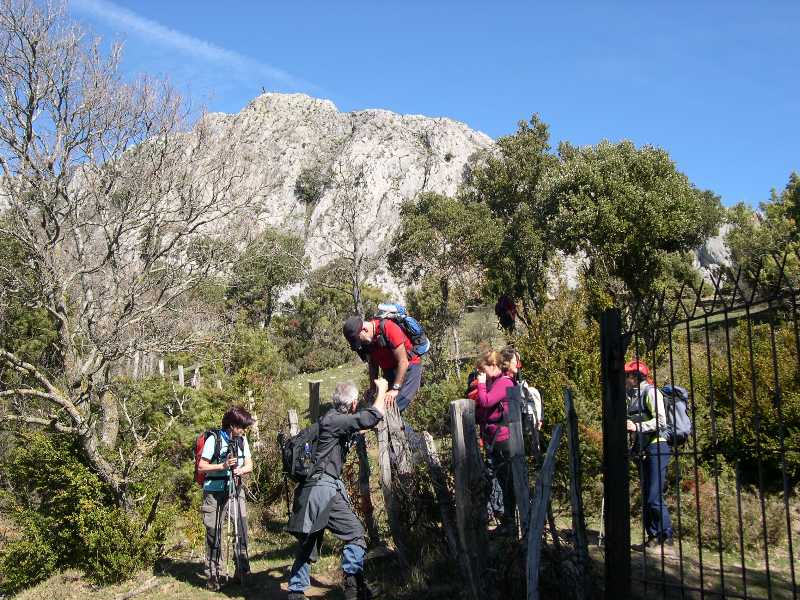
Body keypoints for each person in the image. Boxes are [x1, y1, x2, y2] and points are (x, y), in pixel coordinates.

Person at [286, 379, 387, 600]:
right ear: (352, 404)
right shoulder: (335, 421)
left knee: (308, 542)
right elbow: (372, 416)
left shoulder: (328, 420)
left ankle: (295, 592)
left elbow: (356, 426)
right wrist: (382, 390)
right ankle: (354, 589)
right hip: (324, 490)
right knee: (355, 534)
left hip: (308, 490)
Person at [196, 406, 255, 591]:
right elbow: (201, 467)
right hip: (213, 492)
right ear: (231, 425)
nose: (244, 430)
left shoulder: (242, 440)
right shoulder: (214, 439)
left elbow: (250, 464)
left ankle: (242, 570)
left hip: (235, 489)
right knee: (214, 532)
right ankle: (215, 575)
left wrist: (241, 470)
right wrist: (222, 466)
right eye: (241, 427)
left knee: (241, 529)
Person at [625, 359, 674, 552]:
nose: (625, 378)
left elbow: (661, 422)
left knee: (654, 496)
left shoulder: (651, 393)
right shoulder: (632, 396)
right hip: (643, 450)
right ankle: (653, 537)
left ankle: (666, 536)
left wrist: (636, 426)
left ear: (635, 377)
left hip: (657, 447)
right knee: (647, 496)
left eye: (627, 375)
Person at [342, 315, 422, 413]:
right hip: (389, 372)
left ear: (364, 330)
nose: (361, 344)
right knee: (379, 405)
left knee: (392, 407)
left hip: (409, 368)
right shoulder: (367, 341)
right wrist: (373, 388)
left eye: (360, 340)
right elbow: (373, 364)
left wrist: (395, 388)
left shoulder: (389, 328)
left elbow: (403, 361)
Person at [476, 348, 518, 534]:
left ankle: (510, 522)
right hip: (495, 438)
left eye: (483, 368)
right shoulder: (496, 381)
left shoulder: (503, 382)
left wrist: (481, 385)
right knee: (501, 480)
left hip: (503, 439)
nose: (481, 372)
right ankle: (507, 522)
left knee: (507, 482)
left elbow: (486, 401)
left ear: (493, 365)